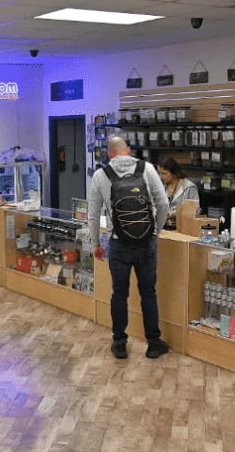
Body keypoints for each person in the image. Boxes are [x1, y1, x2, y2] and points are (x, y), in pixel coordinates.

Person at [88, 136, 170, 360]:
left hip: (118, 243)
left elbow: (93, 215)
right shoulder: (147, 169)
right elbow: (163, 204)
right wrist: (156, 231)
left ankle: (120, 344)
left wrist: (96, 243)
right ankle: (153, 344)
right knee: (148, 292)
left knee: (119, 294)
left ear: (110, 154)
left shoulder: (100, 175)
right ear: (129, 150)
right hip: (147, 243)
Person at [157, 157, 199, 229]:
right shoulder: (161, 186)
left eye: (164, 174)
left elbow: (196, 211)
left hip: (182, 229)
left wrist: (174, 214)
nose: (161, 177)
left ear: (174, 172)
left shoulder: (189, 188)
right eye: (159, 173)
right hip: (163, 228)